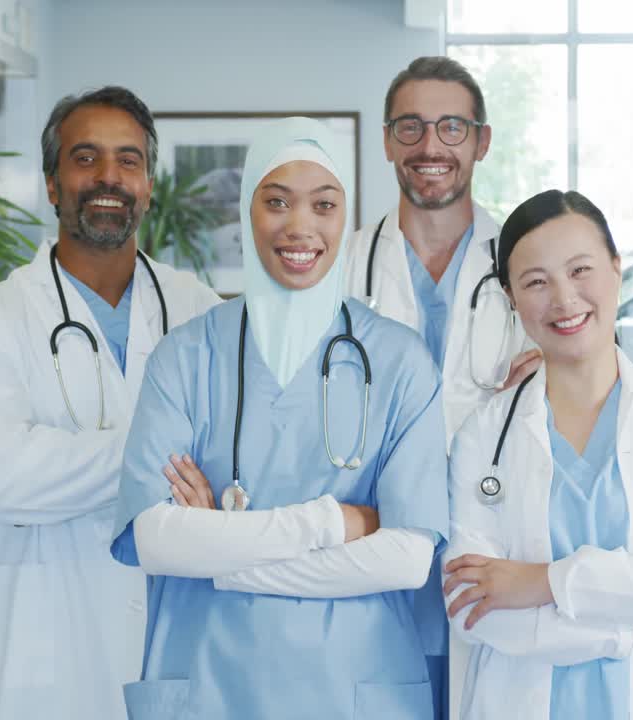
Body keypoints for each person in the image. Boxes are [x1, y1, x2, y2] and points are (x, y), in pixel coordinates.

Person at [110, 117, 449, 719]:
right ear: (247, 211)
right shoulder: (186, 356)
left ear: (346, 217)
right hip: (209, 684)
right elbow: (156, 540)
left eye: (324, 204)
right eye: (276, 202)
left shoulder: (399, 361)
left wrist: (225, 556)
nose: (300, 227)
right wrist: (332, 521)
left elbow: (405, 558)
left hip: (354, 687)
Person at [0, 86, 221, 719]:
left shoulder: (199, 310)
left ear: (148, 184)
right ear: (51, 183)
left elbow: (237, 456)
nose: (108, 177)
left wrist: (81, 463)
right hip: (50, 657)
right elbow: (0, 478)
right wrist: (163, 456)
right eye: (85, 157)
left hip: (181, 640)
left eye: (128, 160)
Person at [443, 189, 633, 719]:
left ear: (615, 269)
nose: (563, 298)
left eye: (580, 270)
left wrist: (540, 583)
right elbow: (474, 608)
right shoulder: (483, 437)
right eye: (536, 281)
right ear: (512, 298)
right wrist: (625, 630)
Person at [342, 55, 539, 719]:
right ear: (388, 139)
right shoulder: (339, 266)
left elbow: (580, 398)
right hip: (369, 570)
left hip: (490, 564)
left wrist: (555, 375)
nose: (431, 147)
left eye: (452, 128)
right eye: (412, 128)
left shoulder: (530, 264)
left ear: (482, 141)